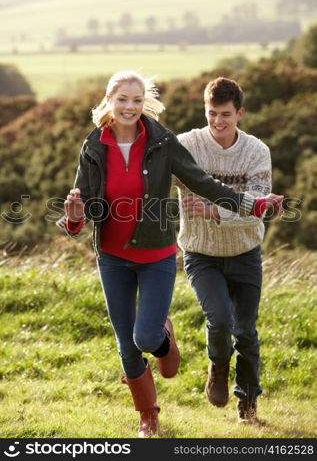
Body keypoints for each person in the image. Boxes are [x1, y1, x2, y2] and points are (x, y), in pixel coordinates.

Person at [57, 71, 283, 437]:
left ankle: (163, 337)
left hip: (156, 254)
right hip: (112, 257)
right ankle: (148, 416)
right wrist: (74, 219)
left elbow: (205, 184)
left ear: (144, 103)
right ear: (109, 102)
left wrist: (253, 205)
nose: (130, 107)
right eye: (123, 99)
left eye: (136, 100)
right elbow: (84, 203)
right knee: (125, 343)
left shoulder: (162, 143)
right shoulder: (94, 146)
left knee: (145, 338)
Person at [176, 76, 275, 424]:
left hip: (245, 253)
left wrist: (217, 210)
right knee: (219, 320)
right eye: (212, 113)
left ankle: (247, 403)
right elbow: (154, 179)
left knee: (245, 331)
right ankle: (218, 367)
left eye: (226, 115)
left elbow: (257, 211)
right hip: (201, 253)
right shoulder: (186, 145)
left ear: (240, 113)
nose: (218, 122)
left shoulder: (256, 152)